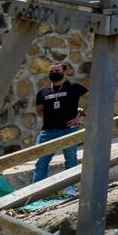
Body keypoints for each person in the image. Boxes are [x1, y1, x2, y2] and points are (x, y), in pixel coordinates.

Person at [33, 63, 88, 196]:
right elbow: (39, 111)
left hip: (68, 130)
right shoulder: (43, 92)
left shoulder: (74, 87)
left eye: (57, 70)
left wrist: (81, 115)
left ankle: (70, 188)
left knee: (71, 160)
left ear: (65, 72)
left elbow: (92, 97)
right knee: (41, 161)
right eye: (51, 71)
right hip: (47, 131)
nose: (53, 73)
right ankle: (37, 192)